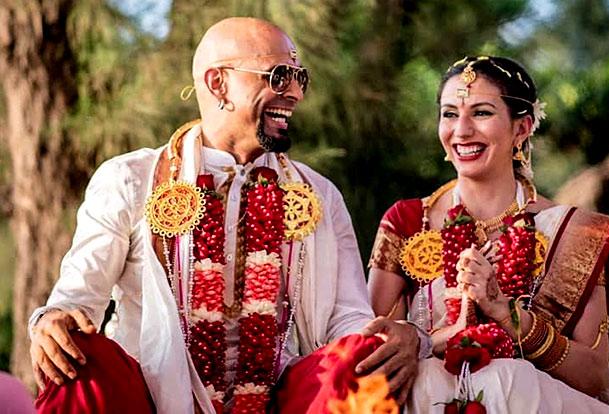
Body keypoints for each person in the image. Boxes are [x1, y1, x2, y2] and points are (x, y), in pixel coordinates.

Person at [28, 17, 427, 413]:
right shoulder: (131, 179)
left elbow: (348, 321)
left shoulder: (318, 195)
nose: (295, 94)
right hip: (153, 395)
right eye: (278, 76)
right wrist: (52, 320)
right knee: (76, 351)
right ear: (218, 83)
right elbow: (78, 298)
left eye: (299, 78)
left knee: (367, 361)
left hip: (279, 398)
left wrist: (401, 338)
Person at [368, 56, 609, 413]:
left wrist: (505, 313)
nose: (462, 130)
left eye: (481, 113)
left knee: (509, 381)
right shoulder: (408, 222)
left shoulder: (573, 234)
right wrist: (432, 338)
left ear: (522, 128)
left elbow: (592, 375)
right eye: (450, 114)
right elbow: (376, 345)